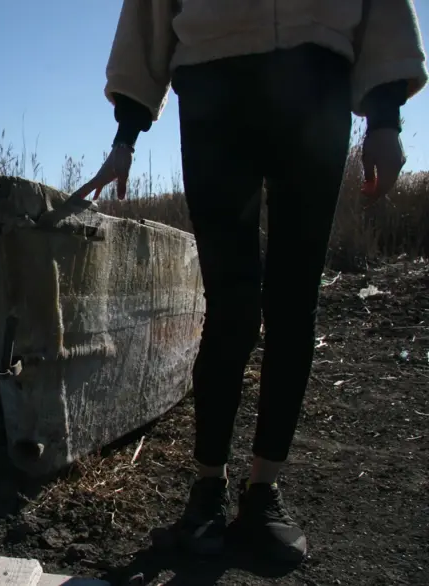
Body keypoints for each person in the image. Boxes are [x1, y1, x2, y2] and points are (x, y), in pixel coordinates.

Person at [72, 0, 428, 565]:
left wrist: (384, 118)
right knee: (231, 305)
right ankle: (207, 491)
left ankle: (263, 493)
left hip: (317, 85)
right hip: (215, 91)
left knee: (293, 301)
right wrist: (125, 138)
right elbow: (148, 16)